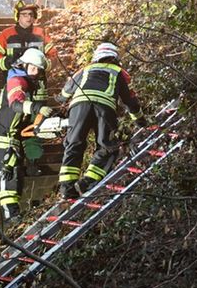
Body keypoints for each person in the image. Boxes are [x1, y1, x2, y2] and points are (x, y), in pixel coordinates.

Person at [55, 42, 142, 200]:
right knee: (107, 145)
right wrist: (140, 120)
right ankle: (87, 182)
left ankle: (67, 189)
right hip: (104, 108)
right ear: (115, 58)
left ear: (97, 57)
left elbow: (64, 93)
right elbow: (129, 101)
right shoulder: (118, 72)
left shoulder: (85, 70)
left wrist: (55, 105)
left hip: (79, 107)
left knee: (74, 144)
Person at [0, 47, 54, 221]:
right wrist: (37, 107)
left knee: (16, 173)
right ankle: (10, 216)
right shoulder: (16, 80)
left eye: (39, 70)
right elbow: (16, 104)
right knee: (7, 174)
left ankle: (14, 213)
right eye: (33, 68)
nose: (36, 72)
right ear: (23, 65)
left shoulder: (27, 84)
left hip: (13, 135)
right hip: (1, 135)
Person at [0, 0, 55, 72]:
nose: (29, 17)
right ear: (17, 16)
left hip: (37, 80)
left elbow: (53, 57)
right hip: (13, 80)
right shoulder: (6, 35)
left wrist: (42, 63)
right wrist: (8, 62)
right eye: (24, 14)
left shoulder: (41, 34)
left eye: (31, 14)